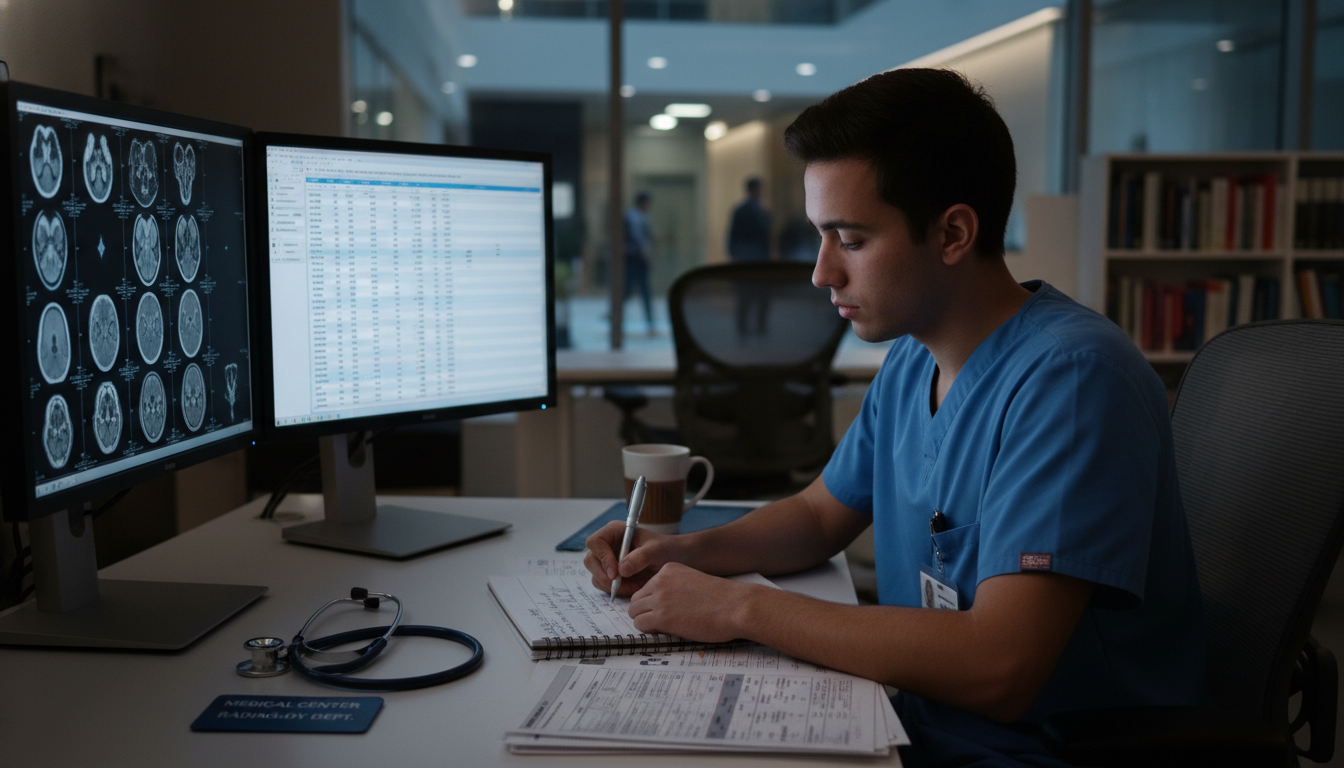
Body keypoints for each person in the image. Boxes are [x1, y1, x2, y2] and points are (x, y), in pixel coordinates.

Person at [585, 68, 1205, 767]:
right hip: (916, 718)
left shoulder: (1073, 380)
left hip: (1037, 752)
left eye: (850, 240)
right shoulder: (914, 358)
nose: (822, 273)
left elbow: (999, 667)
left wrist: (738, 608)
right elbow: (818, 516)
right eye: (821, 238)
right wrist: (683, 554)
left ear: (953, 233)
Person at [726, 177, 772, 335]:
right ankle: (746, 328)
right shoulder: (747, 211)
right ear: (754, 189)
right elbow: (733, 235)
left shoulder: (760, 211)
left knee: (757, 296)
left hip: (754, 258)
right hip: (748, 258)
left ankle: (754, 327)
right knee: (747, 295)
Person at [623, 191, 655, 334]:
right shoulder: (632, 217)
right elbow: (636, 239)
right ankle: (616, 318)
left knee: (643, 291)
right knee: (630, 290)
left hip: (639, 259)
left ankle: (650, 323)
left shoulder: (643, 217)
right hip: (632, 259)